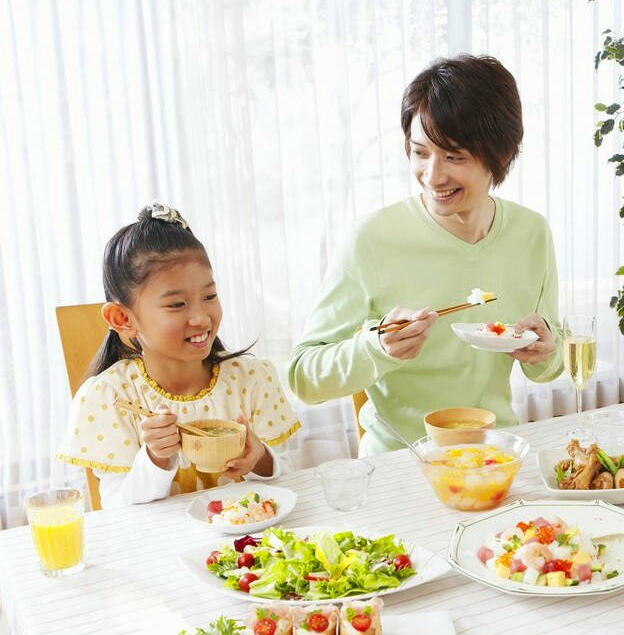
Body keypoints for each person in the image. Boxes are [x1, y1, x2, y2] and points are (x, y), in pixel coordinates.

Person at [288, 55, 562, 453]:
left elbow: (549, 367)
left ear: (501, 155)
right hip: (400, 461)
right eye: (420, 152)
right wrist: (376, 348)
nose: (433, 176)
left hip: (494, 456)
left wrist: (543, 348)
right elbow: (303, 377)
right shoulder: (371, 240)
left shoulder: (531, 233)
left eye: (454, 157)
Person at [56, 204, 299, 506]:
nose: (200, 317)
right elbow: (117, 508)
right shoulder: (110, 396)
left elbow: (290, 480)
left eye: (209, 296)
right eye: (176, 305)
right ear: (123, 319)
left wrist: (259, 458)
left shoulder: (251, 379)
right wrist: (156, 457)